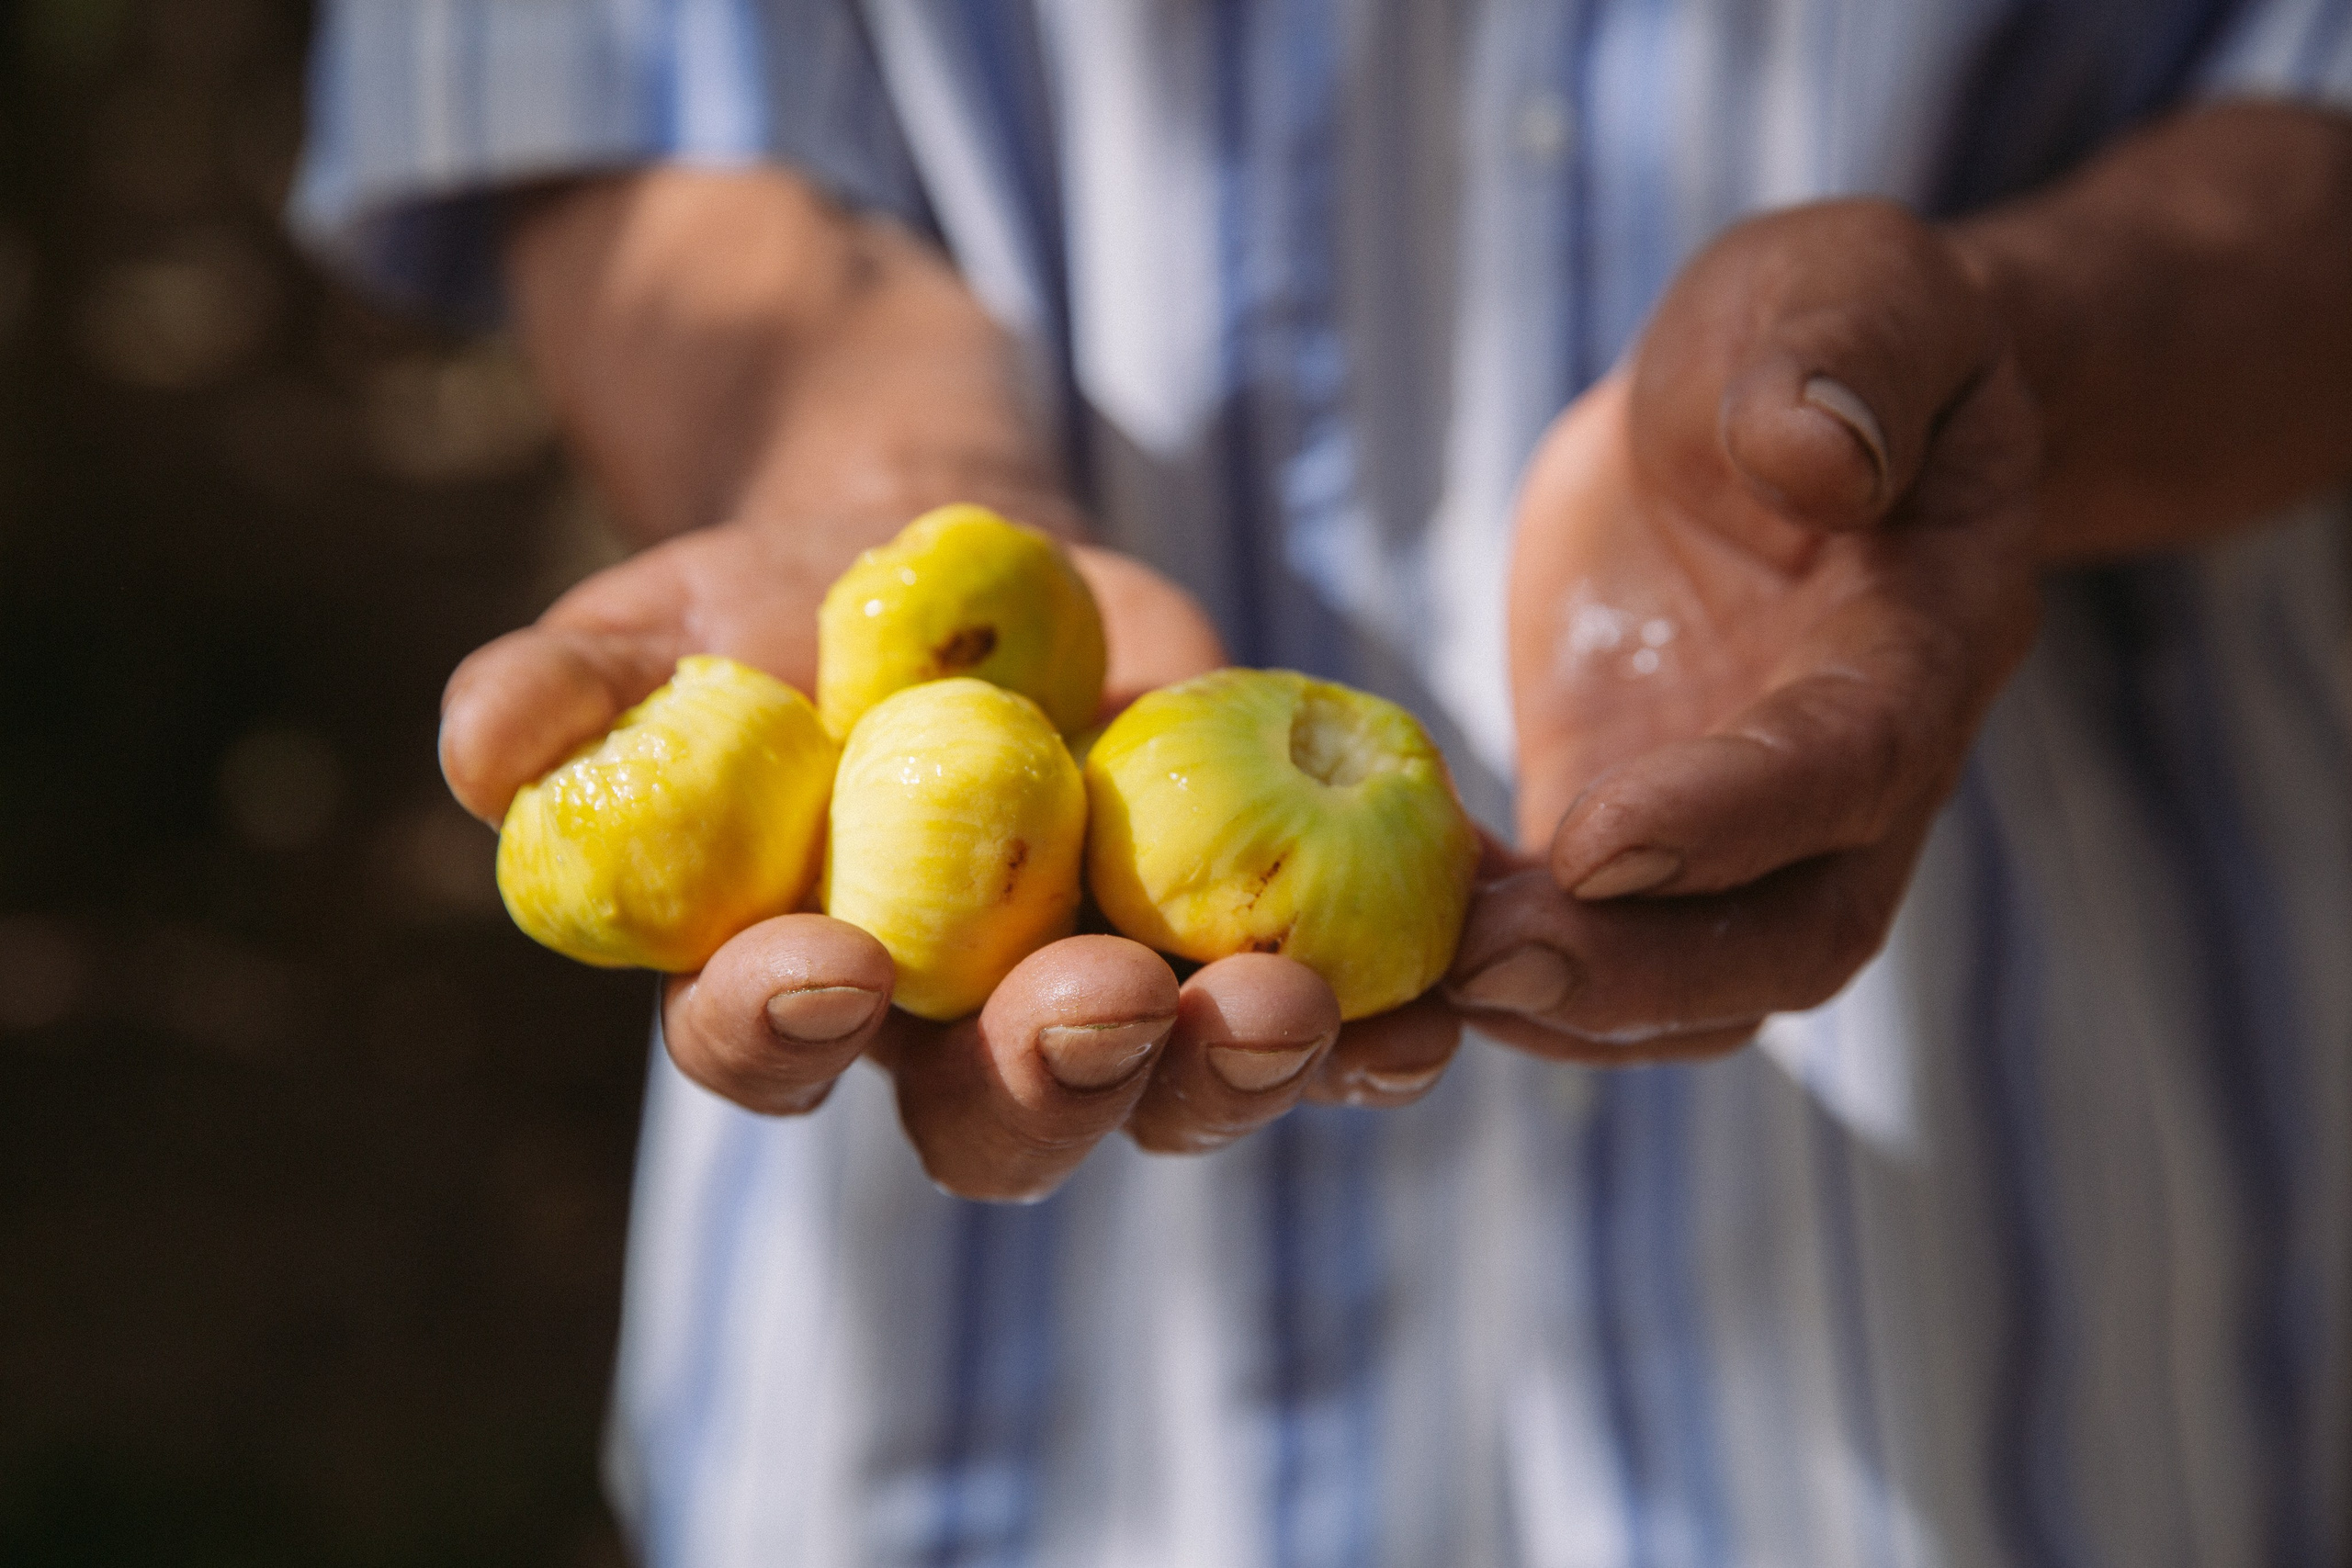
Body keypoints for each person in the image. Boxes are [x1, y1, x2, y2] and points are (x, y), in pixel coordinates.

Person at [298, 4, 2352, 1562]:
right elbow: (605, 100)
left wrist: (2013, 361)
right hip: (991, 1436)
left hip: (2027, 1324)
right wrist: (858, 468)